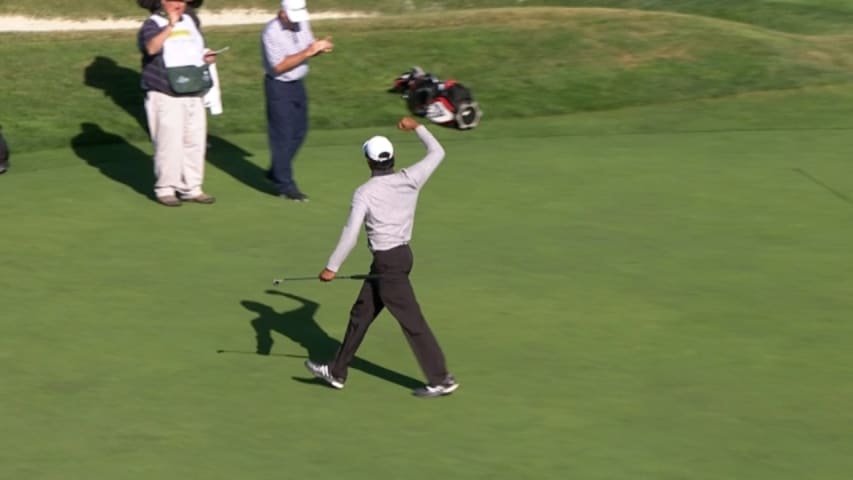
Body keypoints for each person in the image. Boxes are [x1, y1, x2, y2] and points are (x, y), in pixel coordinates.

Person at [304, 117, 459, 398]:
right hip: (398, 258)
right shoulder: (410, 178)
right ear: (392, 158)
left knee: (413, 322)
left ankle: (441, 378)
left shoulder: (364, 193)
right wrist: (417, 128)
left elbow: (350, 235)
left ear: (368, 161)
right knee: (361, 314)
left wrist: (332, 267)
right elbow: (438, 152)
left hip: (388, 265)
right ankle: (337, 371)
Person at [138, 0, 217, 206]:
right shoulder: (152, 24)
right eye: (174, 0)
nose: (179, 4)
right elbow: (151, 48)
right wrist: (170, 26)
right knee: (168, 143)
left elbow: (194, 50)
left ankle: (192, 188)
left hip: (193, 90)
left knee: (195, 142)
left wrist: (206, 57)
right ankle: (166, 188)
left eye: (183, 1)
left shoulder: (191, 22)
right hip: (165, 92)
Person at [261, 0, 334, 201]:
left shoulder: (302, 24)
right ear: (282, 13)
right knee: (282, 136)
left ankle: (277, 169)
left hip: (297, 85)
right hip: (278, 86)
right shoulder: (271, 32)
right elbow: (278, 67)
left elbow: (307, 49)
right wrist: (309, 52)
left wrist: (319, 48)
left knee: (300, 131)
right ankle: (286, 185)